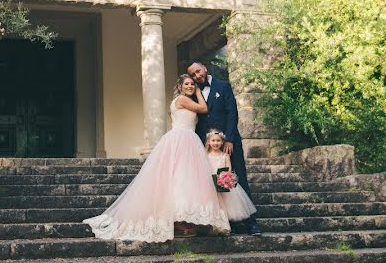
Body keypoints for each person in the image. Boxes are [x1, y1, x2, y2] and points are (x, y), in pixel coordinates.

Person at [83, 74, 230, 242]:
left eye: (193, 84)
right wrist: (198, 91)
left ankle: (184, 219)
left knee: (184, 178)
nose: (190, 86)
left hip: (188, 140)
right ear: (180, 87)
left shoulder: (182, 101)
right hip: (182, 140)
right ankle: (178, 220)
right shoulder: (182, 99)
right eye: (187, 84)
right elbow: (204, 108)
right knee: (179, 176)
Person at [188, 61, 262, 235]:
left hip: (229, 142)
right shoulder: (193, 94)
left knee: (238, 178)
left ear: (204, 68)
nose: (197, 76)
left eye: (198, 71)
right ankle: (229, 222)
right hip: (208, 147)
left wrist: (229, 139)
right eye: (193, 75)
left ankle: (251, 223)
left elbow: (232, 112)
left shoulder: (223, 85)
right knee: (214, 184)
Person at [206, 129, 257, 224]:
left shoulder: (225, 156)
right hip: (210, 184)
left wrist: (225, 178)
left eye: (218, 141)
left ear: (222, 142)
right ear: (209, 142)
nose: (215, 143)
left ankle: (225, 223)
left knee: (226, 205)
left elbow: (228, 169)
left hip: (222, 184)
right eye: (213, 140)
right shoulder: (206, 156)